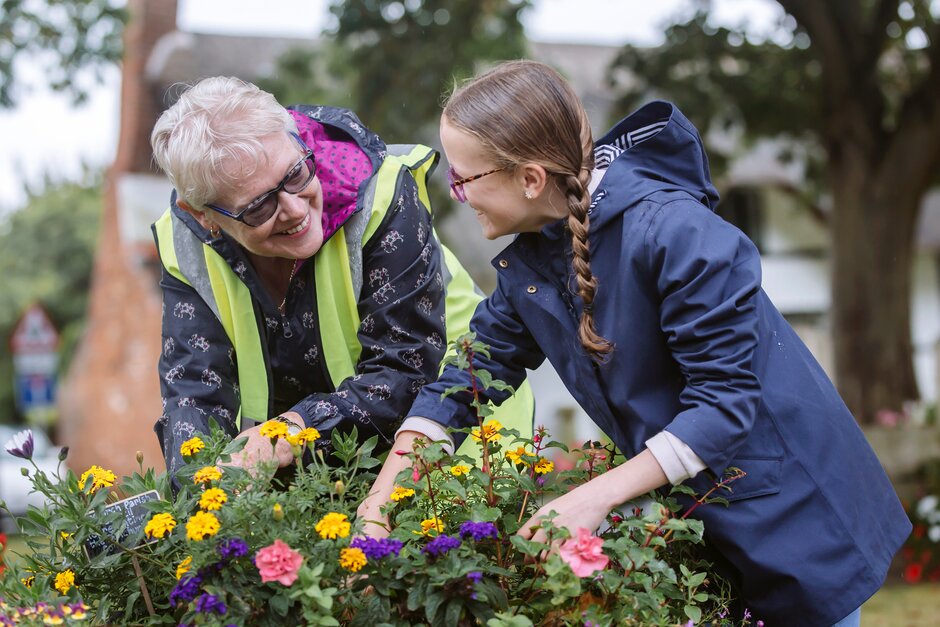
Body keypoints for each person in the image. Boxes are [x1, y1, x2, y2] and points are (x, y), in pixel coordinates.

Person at [357, 60, 910, 626]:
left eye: (463, 179)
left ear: (529, 178)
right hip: (704, 512)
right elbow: (467, 377)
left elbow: (723, 408)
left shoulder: (677, 234)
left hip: (796, 515)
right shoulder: (536, 256)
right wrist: (382, 498)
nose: (459, 197)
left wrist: (594, 496)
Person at [149, 77, 532, 477]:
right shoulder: (185, 243)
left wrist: (290, 432)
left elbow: (404, 374)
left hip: (466, 447)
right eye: (259, 207)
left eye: (296, 174)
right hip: (326, 470)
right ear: (204, 217)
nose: (295, 210)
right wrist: (200, 491)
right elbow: (194, 391)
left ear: (299, 141)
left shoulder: (381, 194)